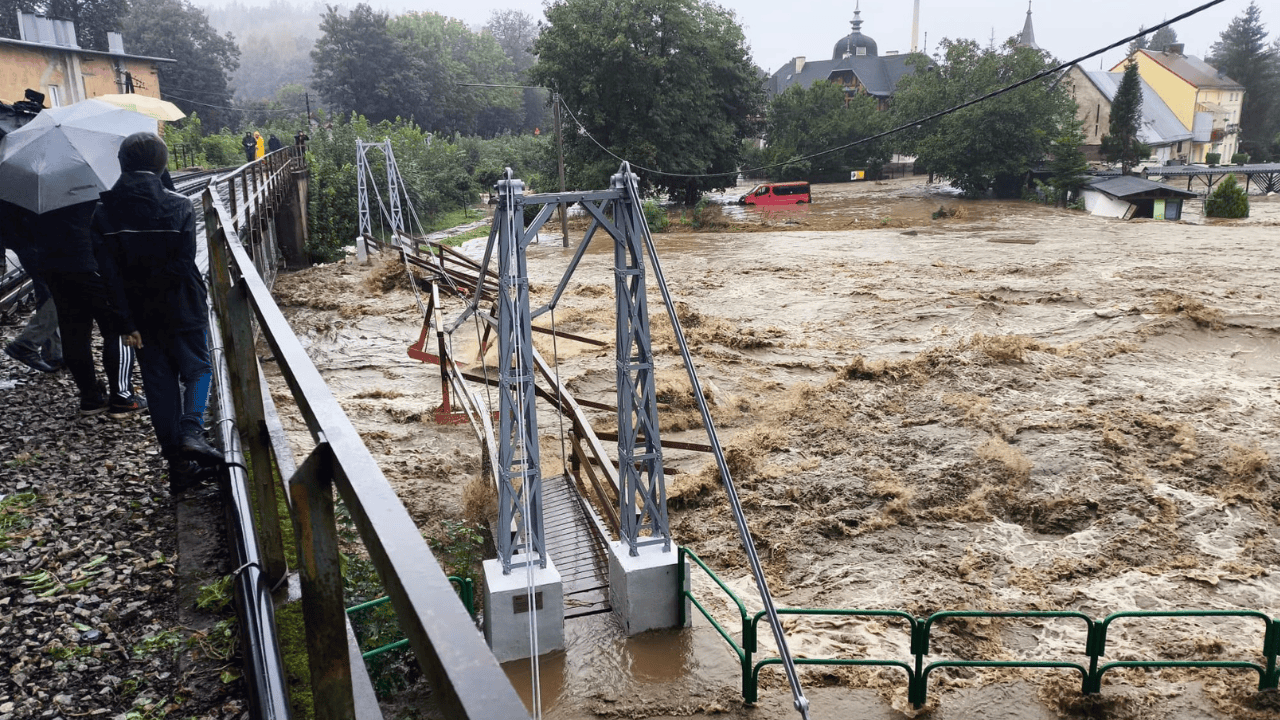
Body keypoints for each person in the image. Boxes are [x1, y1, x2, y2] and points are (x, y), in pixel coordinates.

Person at [93, 132, 222, 491]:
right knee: (198, 369)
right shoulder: (179, 206)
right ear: (161, 165)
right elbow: (182, 264)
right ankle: (193, 430)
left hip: (139, 317)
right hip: (182, 305)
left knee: (159, 385)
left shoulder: (103, 213)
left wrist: (126, 320)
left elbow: (108, 275)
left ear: (122, 163)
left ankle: (180, 468)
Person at [12, 199, 143, 417]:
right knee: (117, 328)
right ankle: (123, 398)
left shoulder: (38, 190)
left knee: (74, 332)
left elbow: (21, 227)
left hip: (52, 267)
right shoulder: (85, 185)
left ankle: (90, 397)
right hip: (88, 263)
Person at [0, 201, 61, 373]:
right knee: (59, 295)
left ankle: (53, 354)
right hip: (33, 242)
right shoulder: (15, 184)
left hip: (29, 242)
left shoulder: (16, 180)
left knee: (47, 294)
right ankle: (27, 343)